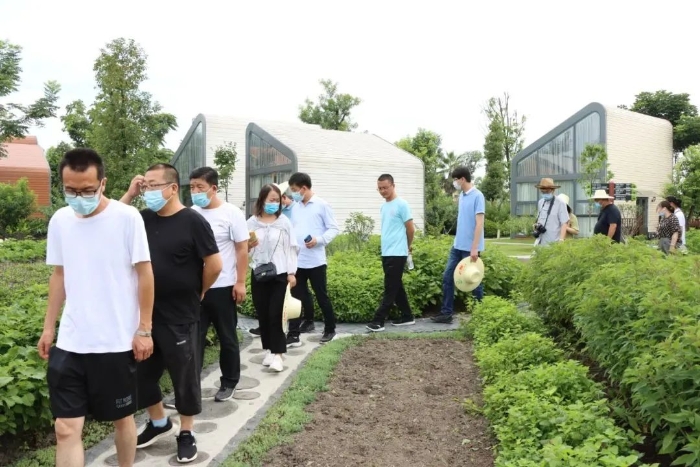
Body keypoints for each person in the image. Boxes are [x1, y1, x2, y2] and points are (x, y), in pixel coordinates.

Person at [38, 148, 155, 467]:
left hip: (115, 343)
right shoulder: (60, 220)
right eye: (71, 190)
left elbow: (145, 274)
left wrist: (144, 329)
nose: (79, 197)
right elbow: (59, 275)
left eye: (87, 190)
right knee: (65, 428)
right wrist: (49, 328)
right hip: (71, 342)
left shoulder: (127, 217)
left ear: (103, 183)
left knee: (122, 419)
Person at [120, 164, 222, 463]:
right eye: (145, 186)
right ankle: (159, 422)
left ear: (173, 188)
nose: (148, 191)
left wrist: (198, 291)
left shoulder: (192, 221)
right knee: (139, 375)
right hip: (144, 314)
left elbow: (214, 265)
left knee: (183, 376)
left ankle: (186, 432)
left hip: (180, 314)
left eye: (153, 186)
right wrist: (130, 193)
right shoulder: (142, 218)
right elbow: (110, 221)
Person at [188, 167, 249, 402]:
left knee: (227, 337)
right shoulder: (191, 213)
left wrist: (240, 282)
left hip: (223, 286)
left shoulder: (231, 213)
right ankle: (190, 388)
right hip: (197, 289)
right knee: (194, 340)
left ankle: (229, 382)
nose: (195, 191)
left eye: (200, 187)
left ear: (213, 188)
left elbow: (242, 249)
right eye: (192, 187)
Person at [247, 184, 299, 371]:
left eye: (277, 200)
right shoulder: (251, 223)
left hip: (280, 274)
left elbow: (291, 248)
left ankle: (278, 354)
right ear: (262, 200)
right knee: (263, 313)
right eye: (271, 200)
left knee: (275, 314)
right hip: (259, 274)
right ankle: (269, 349)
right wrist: (249, 246)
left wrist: (291, 272)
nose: (275, 203)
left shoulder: (284, 223)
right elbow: (244, 250)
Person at [284, 172, 340, 345]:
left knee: (321, 296)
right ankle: (294, 334)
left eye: (294, 190)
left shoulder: (322, 205)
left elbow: (334, 228)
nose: (293, 193)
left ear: (303, 188)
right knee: (296, 298)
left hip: (316, 261)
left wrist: (319, 240)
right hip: (298, 261)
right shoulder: (295, 207)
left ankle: (330, 329)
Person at [432, 166, 486, 325]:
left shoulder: (478, 196)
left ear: (462, 179)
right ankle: (446, 313)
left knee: (474, 281)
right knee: (447, 277)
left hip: (471, 248)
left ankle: (481, 314)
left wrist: (475, 247)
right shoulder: (462, 195)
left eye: (455, 180)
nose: (454, 183)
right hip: (457, 246)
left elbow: (479, 223)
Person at [366, 174, 415, 332]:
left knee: (390, 287)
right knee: (396, 285)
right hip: (387, 252)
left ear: (393, 185)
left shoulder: (402, 204)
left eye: (385, 187)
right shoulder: (384, 206)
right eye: (380, 188)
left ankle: (378, 321)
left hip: (398, 252)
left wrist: (407, 246)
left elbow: (410, 229)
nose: (382, 191)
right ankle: (407, 316)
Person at [532, 178, 569, 246]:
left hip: (554, 242)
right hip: (540, 241)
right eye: (543, 192)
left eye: (547, 192)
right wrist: (536, 226)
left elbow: (564, 223)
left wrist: (561, 239)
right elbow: (539, 219)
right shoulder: (540, 202)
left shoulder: (560, 203)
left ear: (553, 190)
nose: (545, 194)